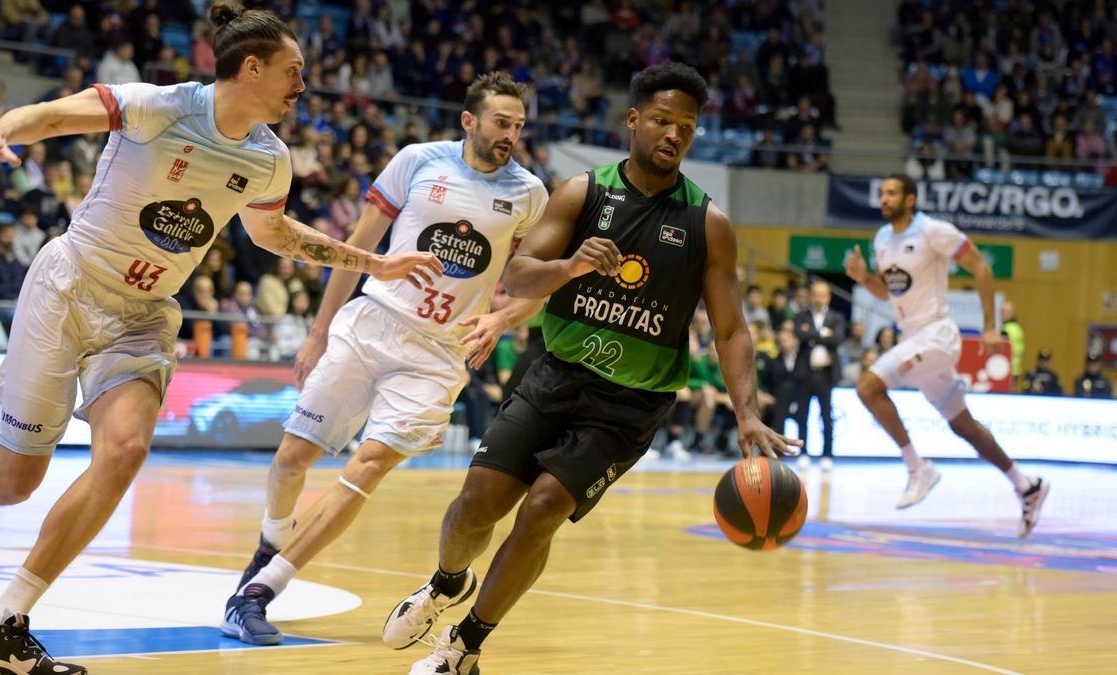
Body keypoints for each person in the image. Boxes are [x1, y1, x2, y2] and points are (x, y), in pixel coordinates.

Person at [0, 5, 441, 674]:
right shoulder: (158, 107)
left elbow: (277, 237)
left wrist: (378, 264)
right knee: (13, 479)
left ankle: (1, 625)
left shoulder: (269, 159)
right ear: (250, 68)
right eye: (293, 72)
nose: (302, 88)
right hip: (69, 288)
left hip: (142, 315)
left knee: (127, 449)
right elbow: (54, 114)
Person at [386, 62, 798, 675]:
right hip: (553, 373)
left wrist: (748, 414)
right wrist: (573, 266)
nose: (674, 134)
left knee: (543, 508)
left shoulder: (708, 224)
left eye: (687, 126)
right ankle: (447, 584)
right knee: (477, 503)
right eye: (662, 120)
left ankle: (465, 647)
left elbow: (732, 330)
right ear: (633, 120)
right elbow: (519, 274)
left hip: (629, 406)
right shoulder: (583, 192)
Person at [222, 71, 549, 646]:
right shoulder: (417, 160)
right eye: (501, 122)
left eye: (519, 126)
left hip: (438, 355)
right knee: (292, 459)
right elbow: (358, 246)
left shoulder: (530, 194)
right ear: (469, 120)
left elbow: (537, 282)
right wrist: (320, 330)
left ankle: (258, 591)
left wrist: (503, 317)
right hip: (371, 325)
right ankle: (269, 546)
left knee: (366, 467)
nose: (511, 134)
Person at [845, 173, 1048, 537]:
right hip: (914, 339)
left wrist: (989, 326)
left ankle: (917, 468)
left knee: (867, 387)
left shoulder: (933, 231)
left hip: (937, 334)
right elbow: (884, 293)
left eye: (891, 193)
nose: (884, 199)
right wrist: (862, 277)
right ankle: (1026, 484)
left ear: (910, 199)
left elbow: (981, 267)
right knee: (962, 425)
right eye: (882, 193)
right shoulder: (881, 238)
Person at [792, 280, 845, 470]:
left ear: (828, 297)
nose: (818, 298)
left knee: (826, 415)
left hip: (826, 374)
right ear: (811, 295)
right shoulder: (801, 315)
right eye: (815, 294)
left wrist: (813, 334)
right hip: (805, 373)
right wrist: (823, 334)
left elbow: (838, 338)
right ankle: (803, 452)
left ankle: (827, 454)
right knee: (802, 414)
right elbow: (799, 334)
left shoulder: (836, 316)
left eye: (822, 294)